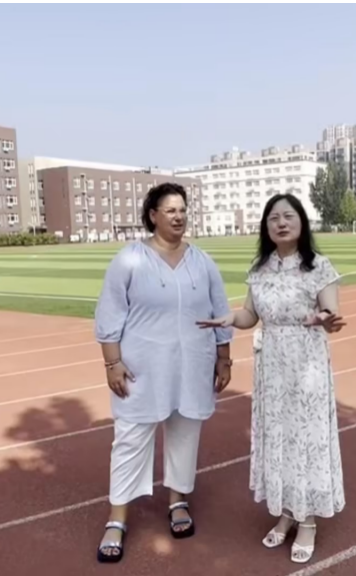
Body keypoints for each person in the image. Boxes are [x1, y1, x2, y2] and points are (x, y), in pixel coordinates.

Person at [196, 193, 346, 564]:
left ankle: (307, 520)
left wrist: (324, 319)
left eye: (288, 216)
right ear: (266, 227)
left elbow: (331, 313)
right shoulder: (260, 269)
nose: (281, 223)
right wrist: (231, 319)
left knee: (305, 438)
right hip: (272, 367)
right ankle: (287, 511)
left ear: (302, 222)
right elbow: (250, 315)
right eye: (273, 217)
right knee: (279, 437)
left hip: (307, 365)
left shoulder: (318, 267)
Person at [93, 182, 235, 564]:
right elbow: (109, 313)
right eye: (170, 210)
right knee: (130, 439)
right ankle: (117, 519)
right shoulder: (130, 259)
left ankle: (178, 501)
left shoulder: (202, 262)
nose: (178, 216)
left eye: (183, 209)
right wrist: (112, 363)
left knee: (185, 433)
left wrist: (224, 358)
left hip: (192, 365)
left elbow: (220, 310)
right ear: (153, 215)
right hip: (141, 369)